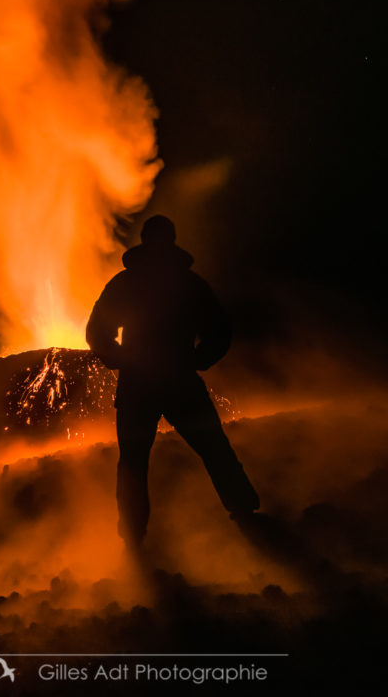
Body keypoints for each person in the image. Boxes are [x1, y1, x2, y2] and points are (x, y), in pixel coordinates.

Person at [86, 214, 260, 547]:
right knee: (211, 447)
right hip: (176, 380)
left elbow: (97, 332)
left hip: (142, 386)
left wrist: (122, 361)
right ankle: (244, 511)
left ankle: (134, 535)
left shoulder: (128, 284)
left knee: (137, 460)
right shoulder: (188, 284)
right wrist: (198, 359)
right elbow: (219, 329)